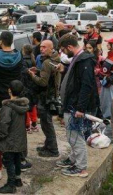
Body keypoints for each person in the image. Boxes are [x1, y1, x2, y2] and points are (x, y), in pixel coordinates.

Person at [56, 34, 99, 178]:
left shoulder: (84, 61)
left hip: (75, 107)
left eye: (63, 50)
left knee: (76, 137)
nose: (62, 53)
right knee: (72, 136)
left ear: (69, 47)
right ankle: (74, 160)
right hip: (72, 105)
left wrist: (80, 108)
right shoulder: (78, 59)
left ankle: (81, 168)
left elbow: (86, 86)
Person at [0, 81, 29, 194]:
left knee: (8, 161)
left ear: (9, 90)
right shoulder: (23, 105)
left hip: (9, 139)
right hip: (20, 138)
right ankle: (18, 179)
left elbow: (4, 125)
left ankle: (11, 184)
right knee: (17, 159)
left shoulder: (7, 107)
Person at [28, 40, 61, 157]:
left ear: (51, 48)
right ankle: (48, 145)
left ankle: (53, 149)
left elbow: (42, 82)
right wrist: (38, 71)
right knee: (46, 123)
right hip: (51, 96)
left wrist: (32, 75)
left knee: (46, 124)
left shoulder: (47, 62)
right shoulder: (55, 58)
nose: (41, 49)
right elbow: (49, 74)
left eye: (44, 47)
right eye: (41, 47)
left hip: (46, 97)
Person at [0, 31, 23, 110]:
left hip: (0, 94)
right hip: (16, 93)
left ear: (1, 42)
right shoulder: (19, 55)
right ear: (12, 41)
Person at [21, 44, 38, 133]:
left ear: (24, 50)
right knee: (33, 105)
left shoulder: (22, 61)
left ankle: (27, 125)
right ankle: (34, 124)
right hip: (33, 85)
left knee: (26, 105)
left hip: (25, 85)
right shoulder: (33, 60)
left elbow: (23, 73)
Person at [99, 38, 113, 119]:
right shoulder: (110, 55)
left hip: (109, 85)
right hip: (106, 83)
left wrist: (109, 79)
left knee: (108, 103)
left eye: (109, 43)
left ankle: (108, 119)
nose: (107, 45)